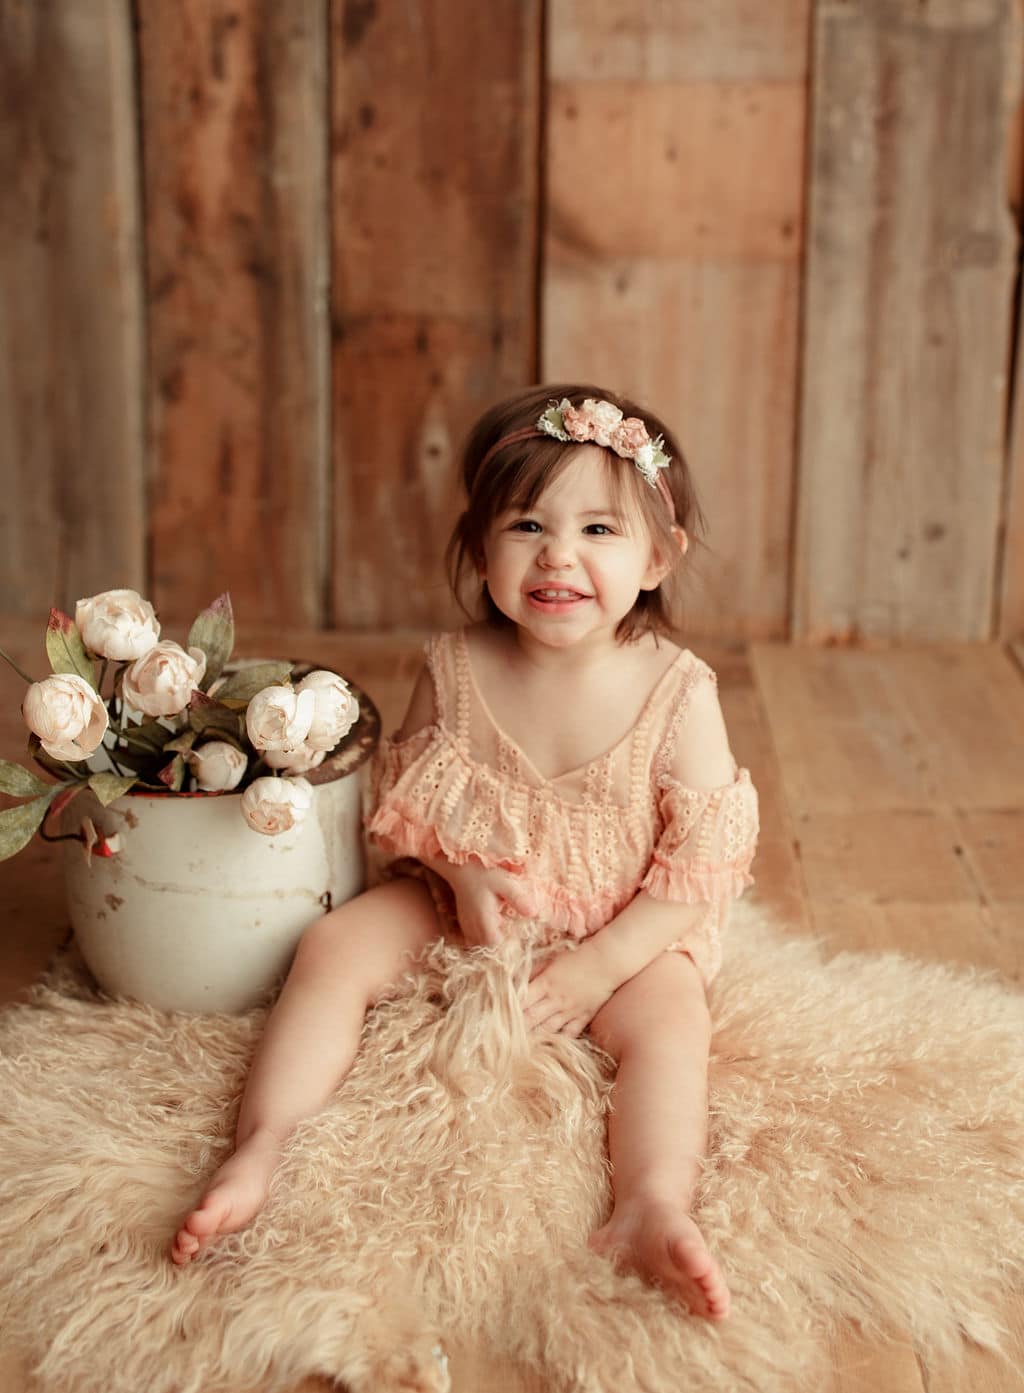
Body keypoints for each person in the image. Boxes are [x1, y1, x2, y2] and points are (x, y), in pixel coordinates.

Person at [170, 383, 760, 1322]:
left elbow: (702, 865)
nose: (558, 554)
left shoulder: (678, 693)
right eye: (527, 522)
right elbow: (402, 801)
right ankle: (263, 1142)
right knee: (331, 949)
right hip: (466, 899)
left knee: (672, 1018)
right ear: (482, 547)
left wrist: (601, 965)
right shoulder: (454, 667)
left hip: (622, 927)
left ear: (659, 556)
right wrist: (458, 871)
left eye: (599, 529)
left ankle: (651, 1200)